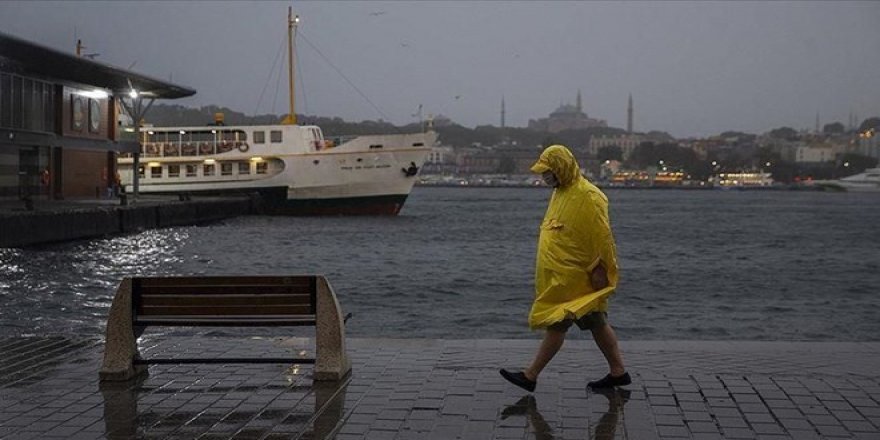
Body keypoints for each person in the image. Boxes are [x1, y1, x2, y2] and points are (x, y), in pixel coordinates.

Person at [500, 144, 630, 392]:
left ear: (560, 168)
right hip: (562, 277)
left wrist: (600, 268)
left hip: (577, 278)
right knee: (597, 324)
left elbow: (602, 237)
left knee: (558, 324)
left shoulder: (589, 196)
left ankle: (530, 376)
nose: (544, 176)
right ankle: (618, 371)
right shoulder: (560, 192)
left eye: (548, 171)